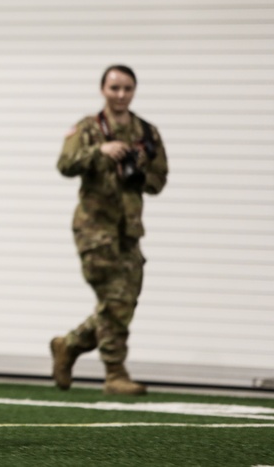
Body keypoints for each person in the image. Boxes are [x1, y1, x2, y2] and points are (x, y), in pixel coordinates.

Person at [50, 65, 168, 395]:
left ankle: (69, 345)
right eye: (114, 88)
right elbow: (65, 165)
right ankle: (115, 373)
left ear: (134, 91)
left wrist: (140, 170)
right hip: (94, 228)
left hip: (129, 229)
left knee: (124, 301)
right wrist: (98, 152)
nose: (120, 95)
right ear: (103, 89)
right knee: (115, 300)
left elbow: (159, 180)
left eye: (127, 88)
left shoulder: (147, 133)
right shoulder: (88, 128)